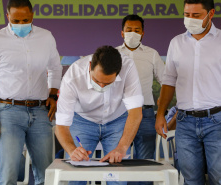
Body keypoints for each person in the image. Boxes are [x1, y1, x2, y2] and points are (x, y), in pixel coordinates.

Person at [0, 0, 62, 184]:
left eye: (25, 20)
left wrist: (53, 95)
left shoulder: (46, 37)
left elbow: (55, 68)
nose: (20, 25)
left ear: (32, 15)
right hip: (8, 112)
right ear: (7, 17)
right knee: (8, 173)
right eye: (15, 21)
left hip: (40, 111)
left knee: (46, 172)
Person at [55, 45, 143, 185]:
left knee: (117, 176)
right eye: (96, 81)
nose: (101, 87)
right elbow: (61, 123)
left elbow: (135, 113)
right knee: (77, 173)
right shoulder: (73, 75)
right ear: (90, 66)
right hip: (83, 120)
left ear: (118, 73)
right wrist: (72, 150)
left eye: (108, 83)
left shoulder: (128, 67)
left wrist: (121, 148)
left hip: (117, 119)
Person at [155, 0, 221, 184]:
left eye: (196, 15)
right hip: (185, 122)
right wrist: (161, 114)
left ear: (211, 14)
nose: (190, 19)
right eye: (187, 15)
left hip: (217, 121)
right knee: (191, 179)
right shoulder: (176, 42)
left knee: (219, 177)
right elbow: (168, 81)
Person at [116, 15, 164, 164]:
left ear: (143, 33)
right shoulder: (113, 54)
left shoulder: (152, 54)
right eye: (129, 30)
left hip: (145, 113)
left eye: (137, 30)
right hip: (118, 113)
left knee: (144, 161)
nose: (133, 33)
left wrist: (162, 101)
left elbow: (166, 81)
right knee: (117, 158)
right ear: (122, 32)